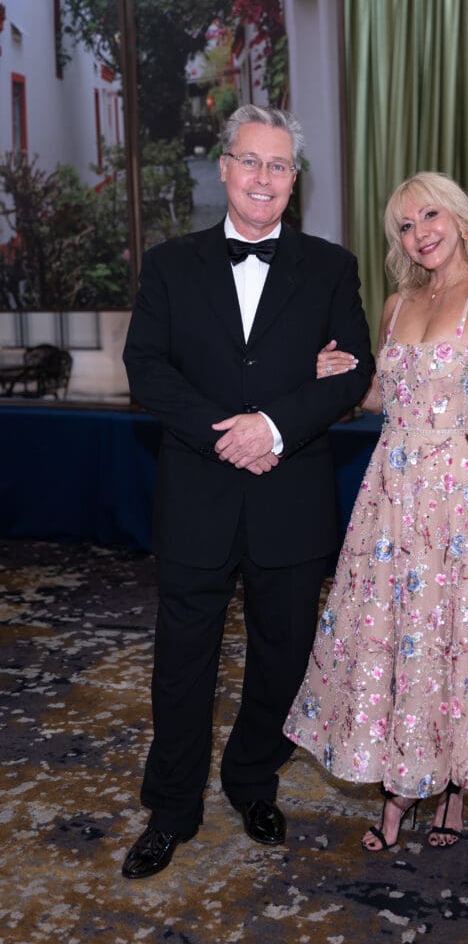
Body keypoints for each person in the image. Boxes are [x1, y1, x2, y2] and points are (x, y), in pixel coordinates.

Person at [285, 171, 468, 851]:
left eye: (429, 216)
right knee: (394, 635)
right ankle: (400, 784)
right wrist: (341, 375)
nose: (419, 233)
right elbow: (379, 399)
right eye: (404, 225)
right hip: (390, 493)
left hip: (457, 496)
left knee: (456, 634)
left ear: (455, 218)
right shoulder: (396, 303)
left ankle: (448, 783)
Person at [121, 104, 373, 878]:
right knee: (182, 662)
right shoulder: (168, 265)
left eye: (279, 165)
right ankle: (171, 808)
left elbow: (355, 370)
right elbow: (148, 370)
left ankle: (252, 779)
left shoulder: (330, 267)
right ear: (223, 169)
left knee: (284, 657)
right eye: (250, 161)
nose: (263, 177)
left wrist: (272, 427)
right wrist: (230, 433)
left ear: (293, 182)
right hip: (197, 492)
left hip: (290, 496)